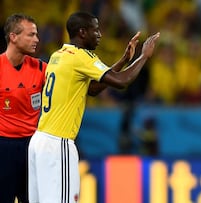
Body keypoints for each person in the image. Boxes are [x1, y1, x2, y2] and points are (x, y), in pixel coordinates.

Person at [28, 11, 160, 202]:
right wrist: (144, 56)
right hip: (58, 144)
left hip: (39, 140)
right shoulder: (81, 57)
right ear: (82, 32)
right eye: (95, 30)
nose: (99, 35)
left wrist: (123, 60)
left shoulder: (59, 55)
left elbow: (92, 89)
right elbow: (122, 81)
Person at [0, 13, 47, 203]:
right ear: (13, 37)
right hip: (4, 147)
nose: (36, 39)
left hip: (33, 146)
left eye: (36, 34)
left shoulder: (41, 68)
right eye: (31, 34)